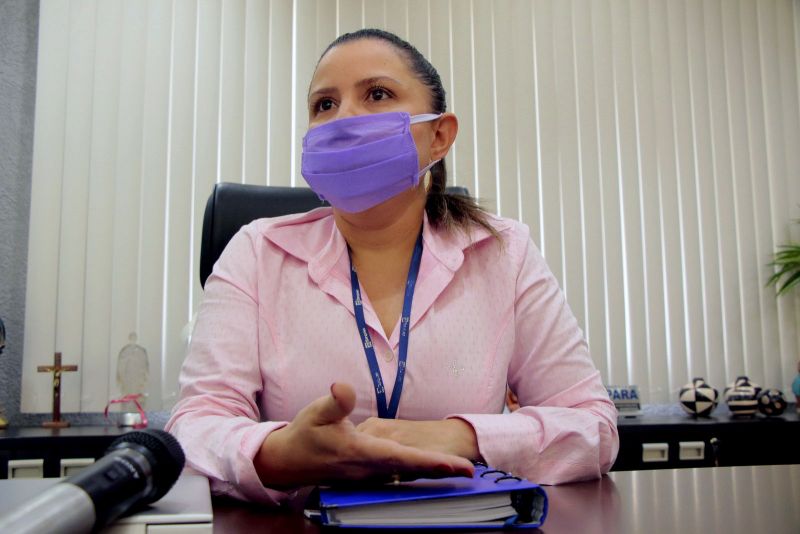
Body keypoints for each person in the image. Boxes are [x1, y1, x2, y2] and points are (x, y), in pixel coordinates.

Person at [166, 28, 618, 505]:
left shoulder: (503, 252)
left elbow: (592, 425)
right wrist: (276, 453)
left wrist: (459, 436)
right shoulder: (257, 251)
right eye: (324, 104)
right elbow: (194, 425)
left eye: (377, 94)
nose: (343, 119)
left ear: (439, 135)